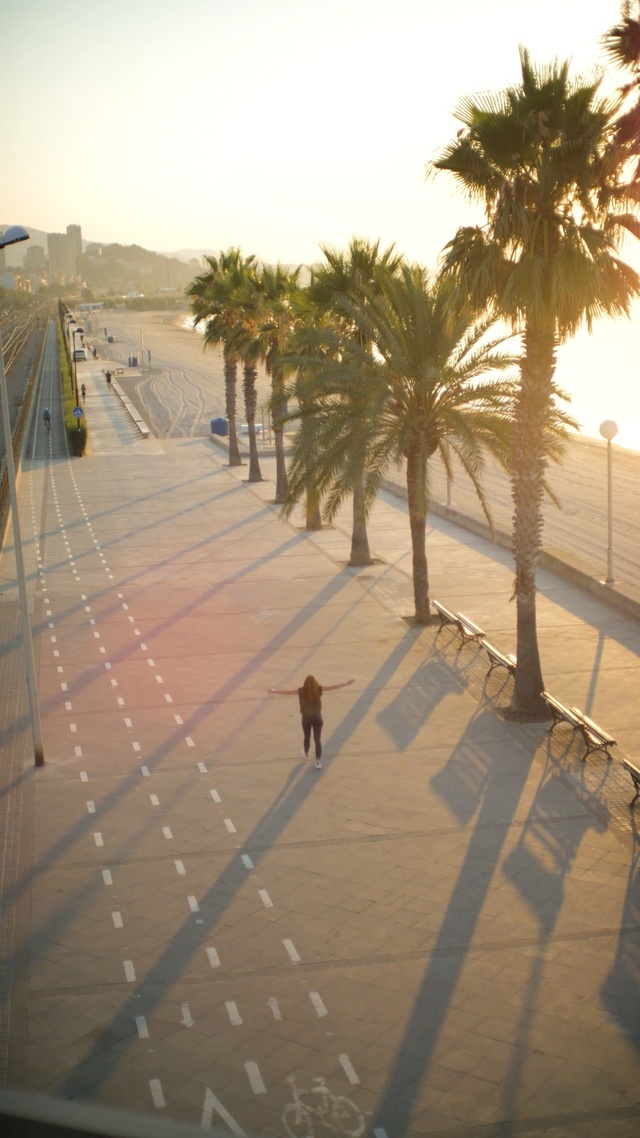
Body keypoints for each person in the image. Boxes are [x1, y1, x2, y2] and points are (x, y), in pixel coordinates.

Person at [267, 675, 354, 769]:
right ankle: (318, 762)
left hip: (306, 718)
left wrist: (274, 691)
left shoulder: (301, 691)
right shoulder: (319, 689)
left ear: (305, 684)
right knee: (317, 740)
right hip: (318, 717)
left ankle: (306, 753)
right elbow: (333, 687)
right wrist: (345, 684)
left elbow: (287, 692)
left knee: (307, 736)